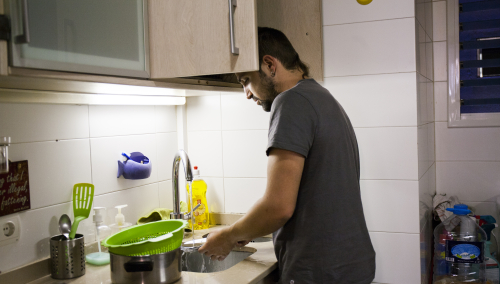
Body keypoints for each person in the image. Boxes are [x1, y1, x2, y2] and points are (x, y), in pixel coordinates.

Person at [198, 27, 375, 284]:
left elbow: (277, 206)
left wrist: (227, 236)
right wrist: (245, 230)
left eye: (245, 80)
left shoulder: (291, 102)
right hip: (348, 267)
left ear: (270, 64)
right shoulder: (322, 98)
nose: (247, 93)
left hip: (320, 272)